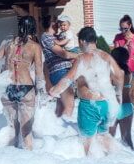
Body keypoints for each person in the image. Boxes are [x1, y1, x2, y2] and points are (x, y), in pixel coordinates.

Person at [50, 27, 125, 155]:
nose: (79, 45)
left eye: (79, 42)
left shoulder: (82, 59)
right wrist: (119, 95)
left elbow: (68, 79)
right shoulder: (107, 56)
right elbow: (120, 75)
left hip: (90, 106)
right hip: (107, 105)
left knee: (86, 142)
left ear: (83, 41)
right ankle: (117, 160)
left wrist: (53, 91)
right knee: (103, 136)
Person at [0, 16, 45, 149]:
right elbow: (39, 72)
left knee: (12, 129)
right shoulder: (35, 47)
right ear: (33, 29)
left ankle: (11, 159)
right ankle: (28, 161)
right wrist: (42, 92)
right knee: (26, 131)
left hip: (8, 87)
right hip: (26, 88)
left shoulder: (8, 44)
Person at [40, 15, 77, 119]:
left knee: (61, 105)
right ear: (51, 23)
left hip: (64, 71)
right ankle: (65, 129)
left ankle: (57, 128)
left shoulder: (57, 36)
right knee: (69, 104)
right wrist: (80, 56)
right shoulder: (46, 36)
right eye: (56, 22)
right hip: (59, 71)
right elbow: (64, 54)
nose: (59, 24)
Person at [109, 47, 134, 149]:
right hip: (127, 107)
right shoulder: (129, 73)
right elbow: (131, 91)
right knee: (127, 139)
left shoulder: (112, 72)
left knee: (109, 139)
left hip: (113, 107)